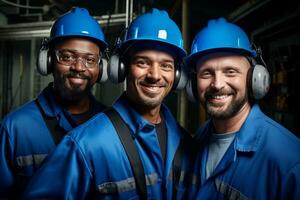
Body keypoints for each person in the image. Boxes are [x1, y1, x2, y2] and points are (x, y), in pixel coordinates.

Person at [22, 8, 192, 200]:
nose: (154, 75)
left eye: (166, 66)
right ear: (121, 68)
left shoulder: (185, 142)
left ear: (177, 76)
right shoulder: (85, 145)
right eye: (143, 62)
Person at [185, 18, 300, 199]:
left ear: (254, 79)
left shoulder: (289, 160)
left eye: (230, 71)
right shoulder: (200, 138)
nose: (217, 84)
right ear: (193, 83)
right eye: (206, 73)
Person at [0, 7, 108, 199]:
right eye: (67, 57)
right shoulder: (14, 129)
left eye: (90, 59)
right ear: (48, 60)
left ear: (101, 68)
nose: (79, 67)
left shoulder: (110, 125)